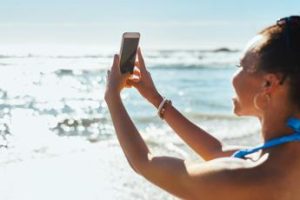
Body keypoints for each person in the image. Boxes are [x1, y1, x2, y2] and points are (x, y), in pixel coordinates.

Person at [104, 16, 300, 199]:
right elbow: (216, 150)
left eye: (240, 66)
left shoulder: (249, 177)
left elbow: (144, 163)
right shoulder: (284, 155)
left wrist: (112, 96)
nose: (233, 77)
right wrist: (155, 98)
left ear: (268, 84)